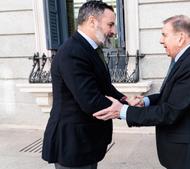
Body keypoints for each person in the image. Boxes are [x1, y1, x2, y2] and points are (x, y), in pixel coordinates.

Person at [93, 15, 190, 169]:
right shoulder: (188, 58)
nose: (161, 40)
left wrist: (123, 111)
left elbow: (169, 112)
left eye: (164, 35)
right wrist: (145, 101)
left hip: (187, 152)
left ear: (180, 37)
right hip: (183, 149)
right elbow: (172, 96)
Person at [42, 1, 138, 169]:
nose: (114, 31)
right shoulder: (72, 52)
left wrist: (124, 99)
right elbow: (90, 101)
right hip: (73, 144)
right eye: (110, 24)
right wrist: (126, 111)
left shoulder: (89, 48)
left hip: (86, 141)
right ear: (92, 21)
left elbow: (105, 87)